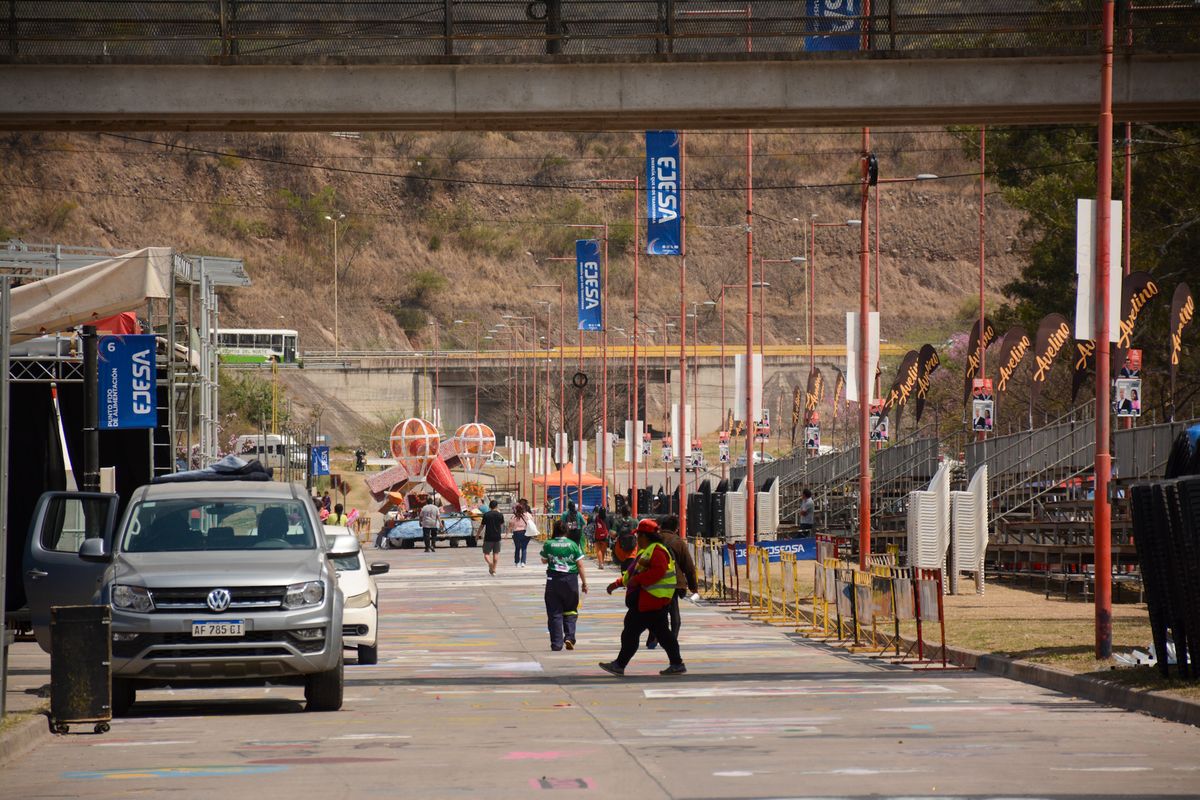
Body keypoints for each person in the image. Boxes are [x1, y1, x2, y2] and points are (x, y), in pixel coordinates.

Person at [599, 518, 686, 676]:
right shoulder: (647, 551)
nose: (636, 538)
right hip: (650, 601)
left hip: (651, 600)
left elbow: (657, 572)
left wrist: (637, 580)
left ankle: (619, 664)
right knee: (662, 634)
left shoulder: (657, 551)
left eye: (638, 535)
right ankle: (676, 663)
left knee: (631, 631)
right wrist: (617, 584)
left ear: (645, 536)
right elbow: (633, 573)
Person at [646, 515, 698, 649]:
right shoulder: (678, 542)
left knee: (656, 612)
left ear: (661, 526)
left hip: (655, 582)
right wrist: (693, 587)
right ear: (676, 528)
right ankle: (672, 640)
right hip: (674, 582)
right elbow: (689, 567)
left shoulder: (654, 540)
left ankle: (653, 637)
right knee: (674, 614)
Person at [541, 519, 588, 651]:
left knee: (554, 613)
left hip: (553, 580)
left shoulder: (548, 544)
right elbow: (579, 564)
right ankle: (569, 637)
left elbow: (544, 560)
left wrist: (552, 558)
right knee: (571, 610)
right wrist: (584, 582)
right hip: (570, 580)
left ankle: (556, 644)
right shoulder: (573, 544)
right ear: (566, 530)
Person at [481, 500, 505, 575]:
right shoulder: (500, 515)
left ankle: (490, 563)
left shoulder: (486, 515)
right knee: (496, 553)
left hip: (488, 537)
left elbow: (482, 526)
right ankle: (494, 569)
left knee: (486, 554)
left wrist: (477, 534)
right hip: (497, 537)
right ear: (497, 506)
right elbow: (502, 525)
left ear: (489, 506)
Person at [511, 499, 532, 567]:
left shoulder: (514, 516)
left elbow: (511, 524)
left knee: (517, 548)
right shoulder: (527, 515)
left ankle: (517, 562)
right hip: (525, 532)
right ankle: (523, 562)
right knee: (524, 547)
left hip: (516, 533)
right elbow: (531, 522)